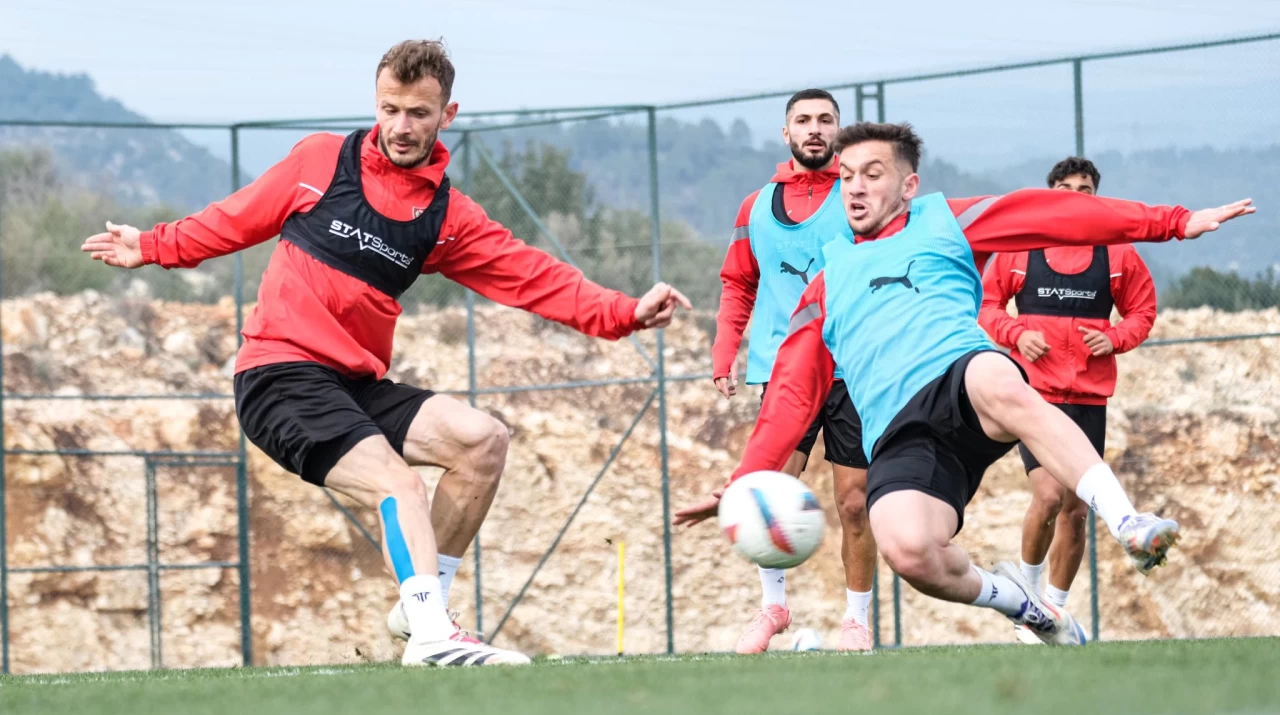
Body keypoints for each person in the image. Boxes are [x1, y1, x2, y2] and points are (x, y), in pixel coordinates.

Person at [81, 39, 690, 667]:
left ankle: (420, 610)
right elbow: (233, 220)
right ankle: (432, 637)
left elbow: (530, 274)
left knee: (481, 442)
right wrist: (150, 245)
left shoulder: (446, 216)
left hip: (353, 385)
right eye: (389, 109)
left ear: (447, 115)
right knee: (398, 484)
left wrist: (622, 312)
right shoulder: (320, 161)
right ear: (376, 103)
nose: (401, 126)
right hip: (279, 377)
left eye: (418, 113)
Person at [676, 121, 1253, 645]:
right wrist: (743, 483)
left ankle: (1129, 521)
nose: (854, 188)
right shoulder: (825, 285)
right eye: (846, 176)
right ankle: (1027, 608)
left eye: (873, 174)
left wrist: (1172, 223)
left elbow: (1055, 214)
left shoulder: (943, 222)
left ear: (909, 185)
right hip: (899, 433)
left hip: (961, 378)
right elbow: (789, 397)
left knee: (997, 381)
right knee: (909, 551)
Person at [708, 89, 876, 653]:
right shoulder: (755, 207)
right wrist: (724, 352)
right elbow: (738, 282)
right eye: (803, 120)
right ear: (786, 133)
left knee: (855, 502)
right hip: (784, 372)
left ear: (839, 131)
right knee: (769, 493)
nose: (814, 129)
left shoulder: (857, 198)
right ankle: (773, 608)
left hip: (853, 370)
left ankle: (856, 621)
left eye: (825, 120)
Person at [979, 157, 1157, 644]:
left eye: (1085, 189)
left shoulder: (1118, 254)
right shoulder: (1022, 247)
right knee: (1047, 496)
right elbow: (987, 304)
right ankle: (1027, 602)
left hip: (1087, 398)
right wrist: (1016, 334)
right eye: (1065, 188)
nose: (1075, 196)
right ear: (1049, 195)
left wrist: (1114, 338)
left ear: (1097, 197)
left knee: (1076, 512)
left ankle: (1052, 611)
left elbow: (1142, 311)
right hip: (1034, 396)